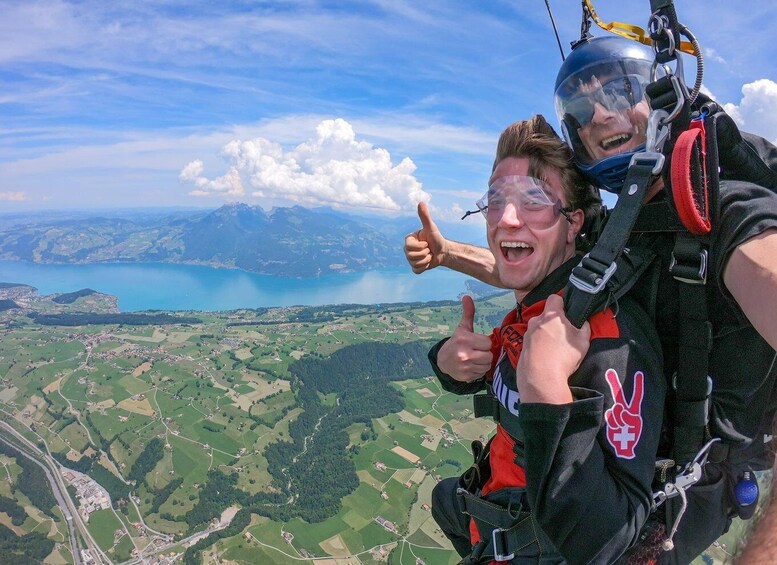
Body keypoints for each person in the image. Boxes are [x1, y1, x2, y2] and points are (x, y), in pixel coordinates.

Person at [406, 35, 777, 564]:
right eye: (581, 107)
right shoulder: (619, 228)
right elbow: (538, 263)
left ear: (667, 98)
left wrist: (544, 385)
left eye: (622, 90)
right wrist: (448, 259)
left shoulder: (732, 217)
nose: (600, 114)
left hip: (666, 493)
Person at [428, 115, 665, 564]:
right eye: (495, 201)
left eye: (533, 200)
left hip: (534, 546)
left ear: (573, 222)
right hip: (490, 515)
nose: (506, 219)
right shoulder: (537, 309)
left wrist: (549, 392)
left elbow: (616, 538)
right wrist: (446, 361)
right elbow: (490, 372)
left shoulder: (607, 338)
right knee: (445, 500)